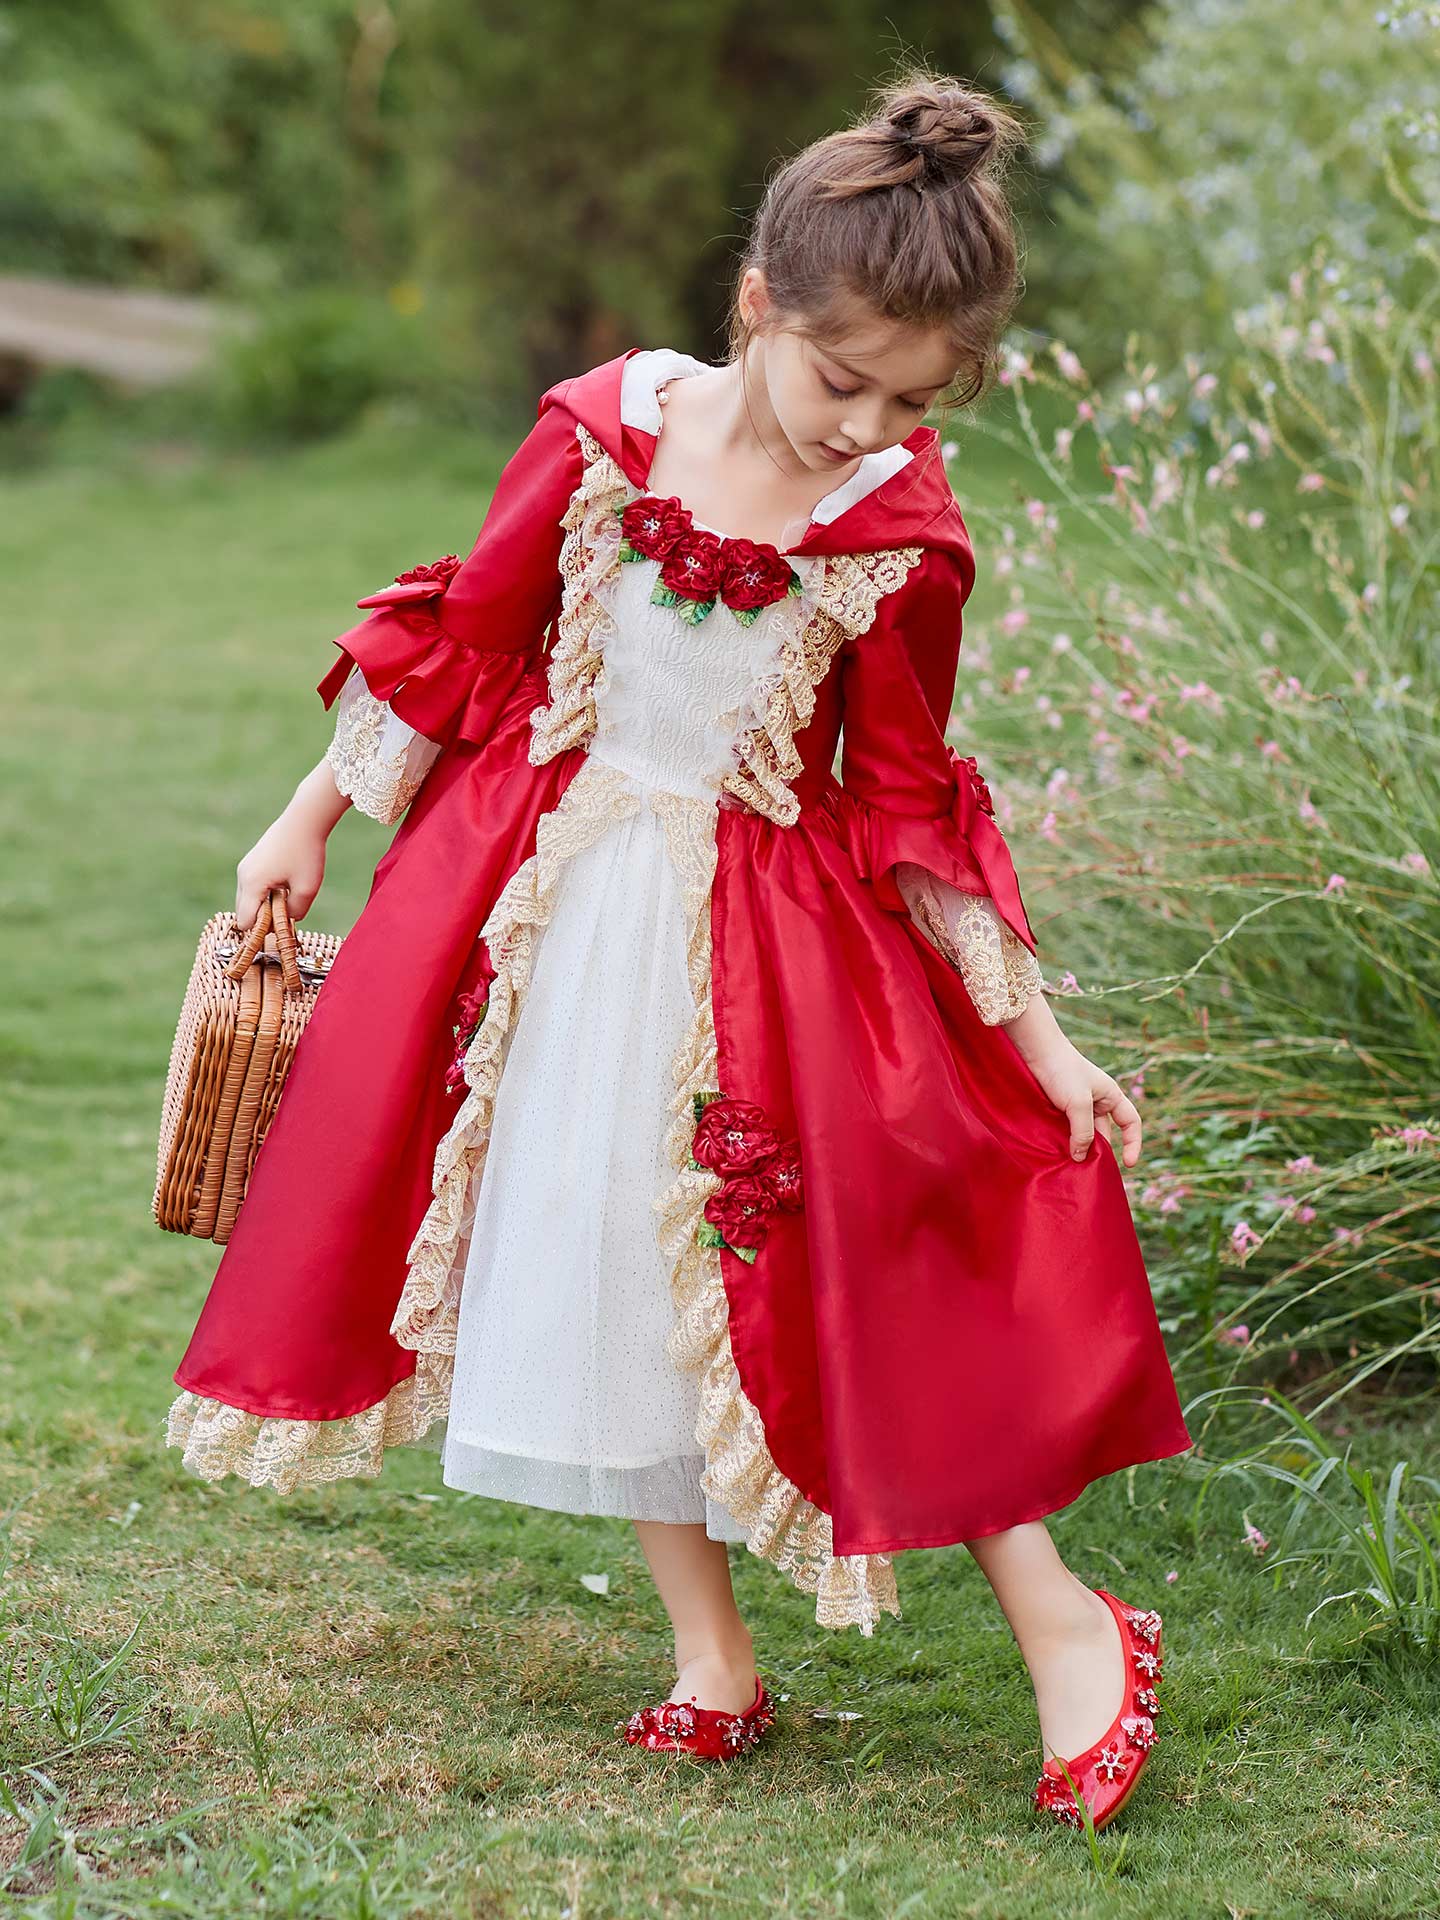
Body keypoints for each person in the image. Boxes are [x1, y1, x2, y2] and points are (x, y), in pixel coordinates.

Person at [165, 69, 1190, 1822]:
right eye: (840, 380)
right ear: (757, 306)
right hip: (560, 930)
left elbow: (910, 804)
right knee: (601, 1264)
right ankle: (710, 1653)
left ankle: (1069, 1619)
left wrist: (1038, 1041)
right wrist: (308, 819)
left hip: (780, 959)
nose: (862, 428)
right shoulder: (595, 435)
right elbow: (464, 654)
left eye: (908, 403)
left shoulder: (898, 540)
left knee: (872, 1272)